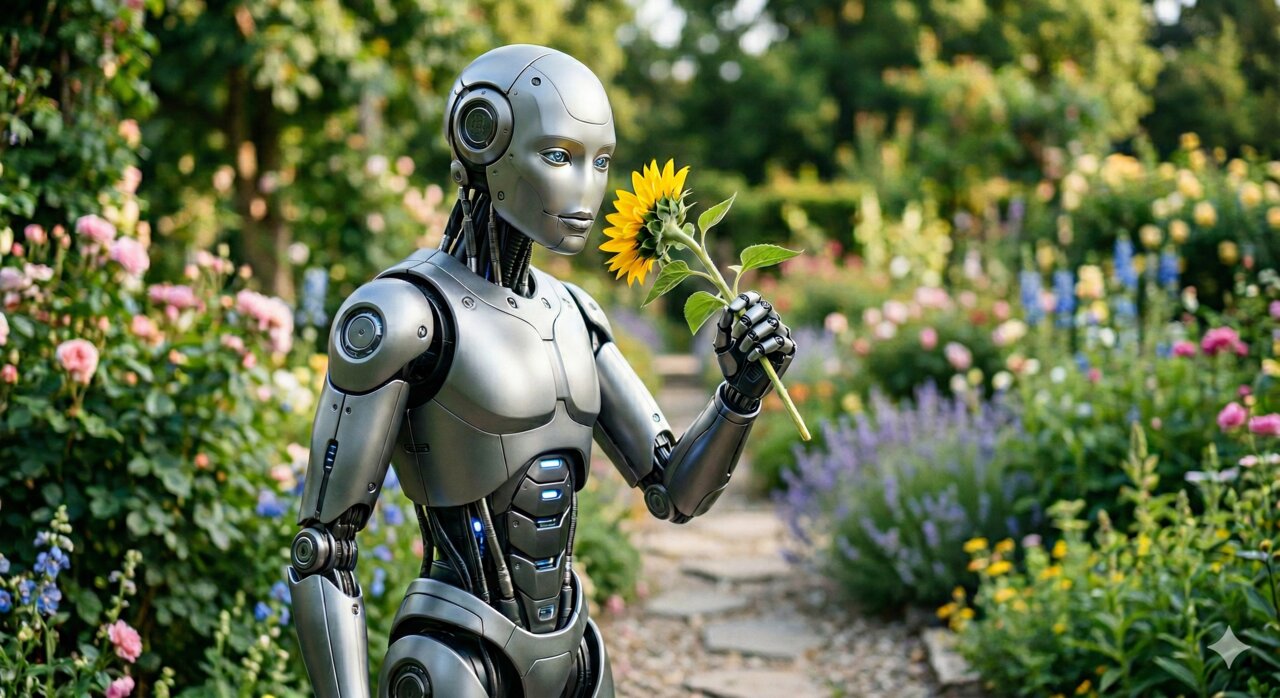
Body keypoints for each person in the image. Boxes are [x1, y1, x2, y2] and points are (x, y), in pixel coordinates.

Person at [287, 44, 796, 698]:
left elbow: (674, 491)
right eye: (559, 156)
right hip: (456, 652)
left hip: (576, 649)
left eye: (601, 161)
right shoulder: (406, 316)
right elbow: (324, 552)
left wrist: (740, 393)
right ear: (482, 136)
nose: (587, 188)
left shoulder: (574, 314)